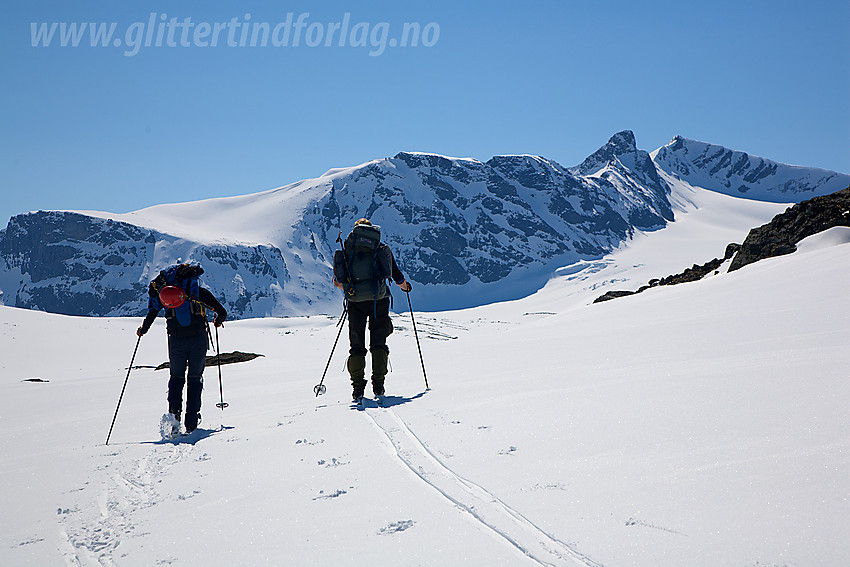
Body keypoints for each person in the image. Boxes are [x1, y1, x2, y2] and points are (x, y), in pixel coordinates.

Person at [136, 262, 227, 433]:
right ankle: (191, 422)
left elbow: (153, 311)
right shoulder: (198, 293)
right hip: (198, 340)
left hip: (176, 341)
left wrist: (143, 329)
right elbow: (222, 312)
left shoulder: (167, 296)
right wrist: (217, 321)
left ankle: (173, 419)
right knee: (195, 378)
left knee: (176, 378)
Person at [333, 219, 411, 402]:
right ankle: (379, 385)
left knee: (357, 345)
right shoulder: (380, 247)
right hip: (379, 300)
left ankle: (358, 388)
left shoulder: (348, 248)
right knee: (378, 342)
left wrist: (352, 290)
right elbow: (395, 275)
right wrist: (405, 287)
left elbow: (338, 281)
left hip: (355, 302)